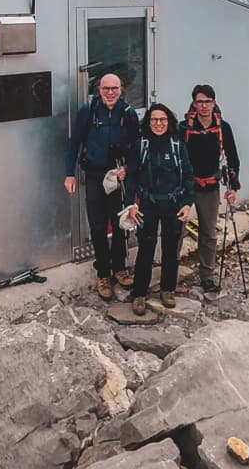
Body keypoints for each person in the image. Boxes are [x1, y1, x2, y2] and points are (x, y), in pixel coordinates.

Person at [64, 72, 140, 300]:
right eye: (106, 88)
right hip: (95, 175)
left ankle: (119, 267)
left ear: (121, 90)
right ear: (99, 90)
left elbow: (137, 145)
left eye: (114, 89)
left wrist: (129, 168)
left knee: (120, 223)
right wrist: (70, 173)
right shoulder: (89, 112)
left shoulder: (128, 114)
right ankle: (103, 273)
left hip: (118, 175)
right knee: (97, 224)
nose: (110, 92)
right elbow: (74, 143)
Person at [122, 103, 194, 316]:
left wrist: (188, 203)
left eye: (162, 119)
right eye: (154, 119)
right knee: (146, 249)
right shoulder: (141, 145)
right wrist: (130, 205)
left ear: (168, 121)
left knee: (171, 248)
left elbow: (188, 175)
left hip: (173, 204)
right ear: (148, 122)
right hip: (147, 205)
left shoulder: (177, 145)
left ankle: (167, 289)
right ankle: (140, 294)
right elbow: (132, 178)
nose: (158, 124)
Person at [178, 84, 241, 292]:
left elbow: (233, 159)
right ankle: (171, 272)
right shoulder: (184, 128)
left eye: (207, 101)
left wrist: (233, 185)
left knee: (208, 233)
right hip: (185, 187)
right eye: (200, 102)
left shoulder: (224, 128)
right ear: (194, 104)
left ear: (214, 102)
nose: (204, 106)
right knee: (176, 231)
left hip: (210, 186)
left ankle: (207, 276)